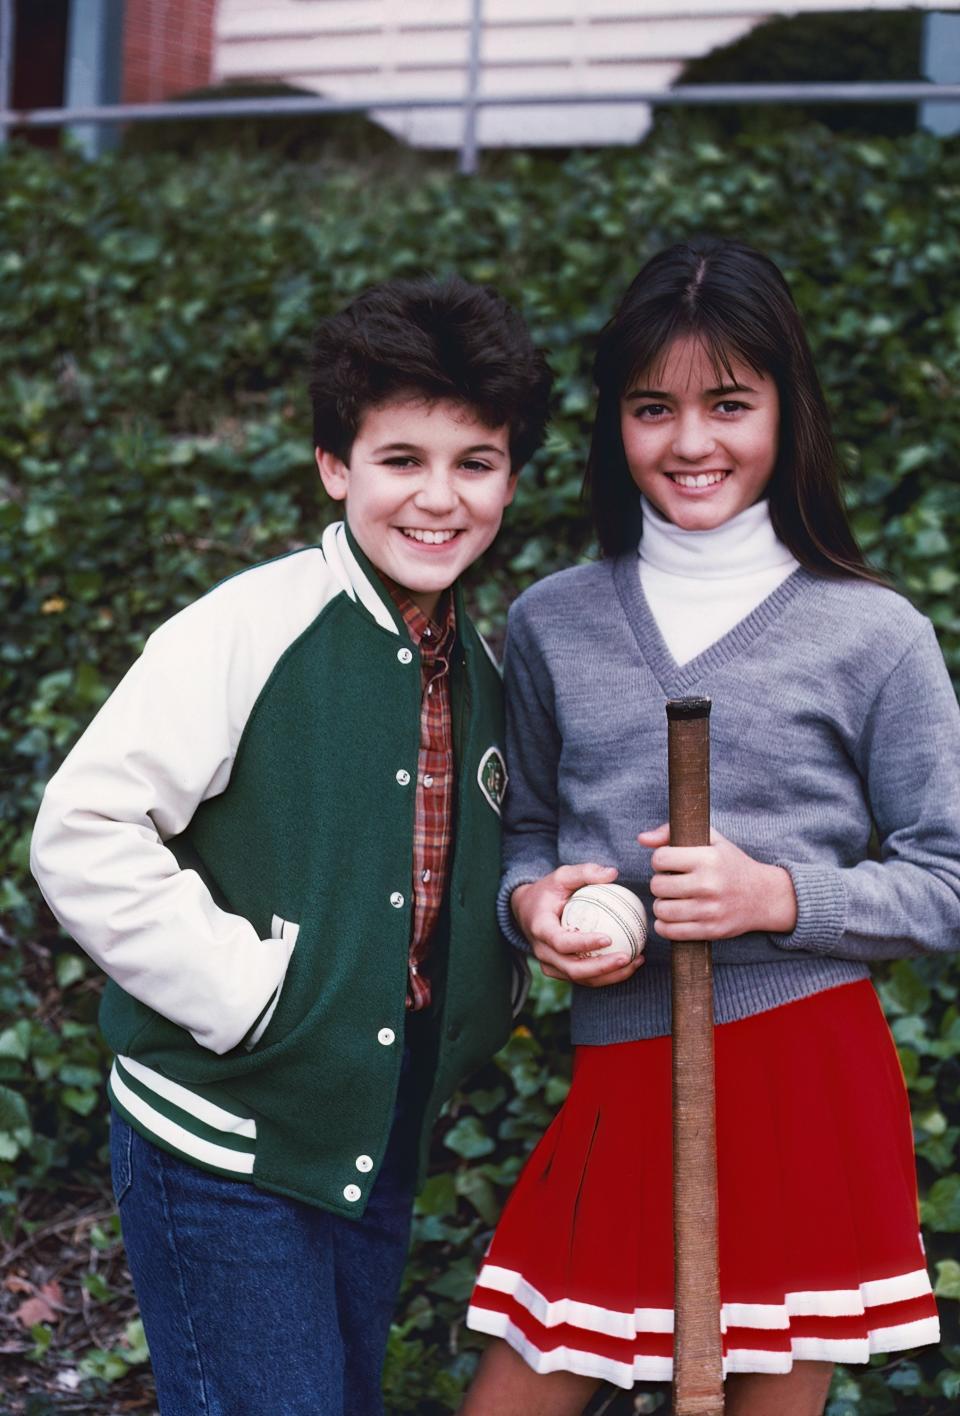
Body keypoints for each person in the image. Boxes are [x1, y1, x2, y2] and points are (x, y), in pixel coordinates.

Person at [30, 275, 551, 1416]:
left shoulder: (485, 670)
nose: (439, 497)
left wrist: (497, 985)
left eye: (476, 462)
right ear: (334, 466)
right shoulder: (248, 628)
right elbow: (82, 830)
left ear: (512, 477)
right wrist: (249, 994)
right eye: (400, 459)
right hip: (224, 1138)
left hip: (376, 1129)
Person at [461, 237, 960, 1416]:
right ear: (615, 424)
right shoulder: (553, 623)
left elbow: (948, 879)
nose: (691, 444)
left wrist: (780, 897)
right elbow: (524, 832)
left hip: (806, 1084)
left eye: (729, 403)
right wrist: (533, 905)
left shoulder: (873, 633)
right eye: (654, 408)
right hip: (622, 1078)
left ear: (787, 407)